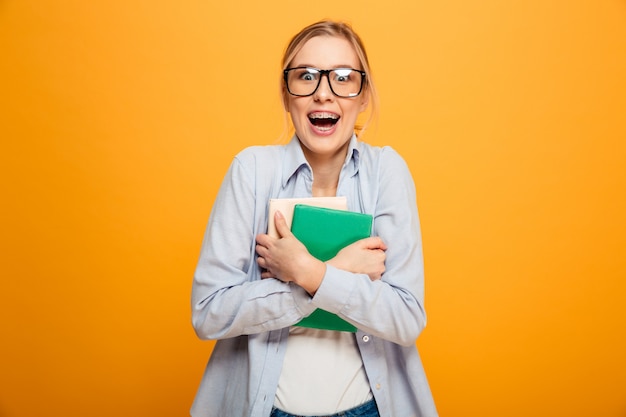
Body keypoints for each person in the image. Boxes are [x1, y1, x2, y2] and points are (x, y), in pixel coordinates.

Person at [190, 20, 438, 417]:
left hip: (369, 408)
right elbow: (209, 312)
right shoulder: (251, 170)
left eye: (343, 77)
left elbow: (406, 318)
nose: (323, 93)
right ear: (287, 95)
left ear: (363, 95)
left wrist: (307, 271)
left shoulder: (387, 171)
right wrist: (334, 272)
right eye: (305, 76)